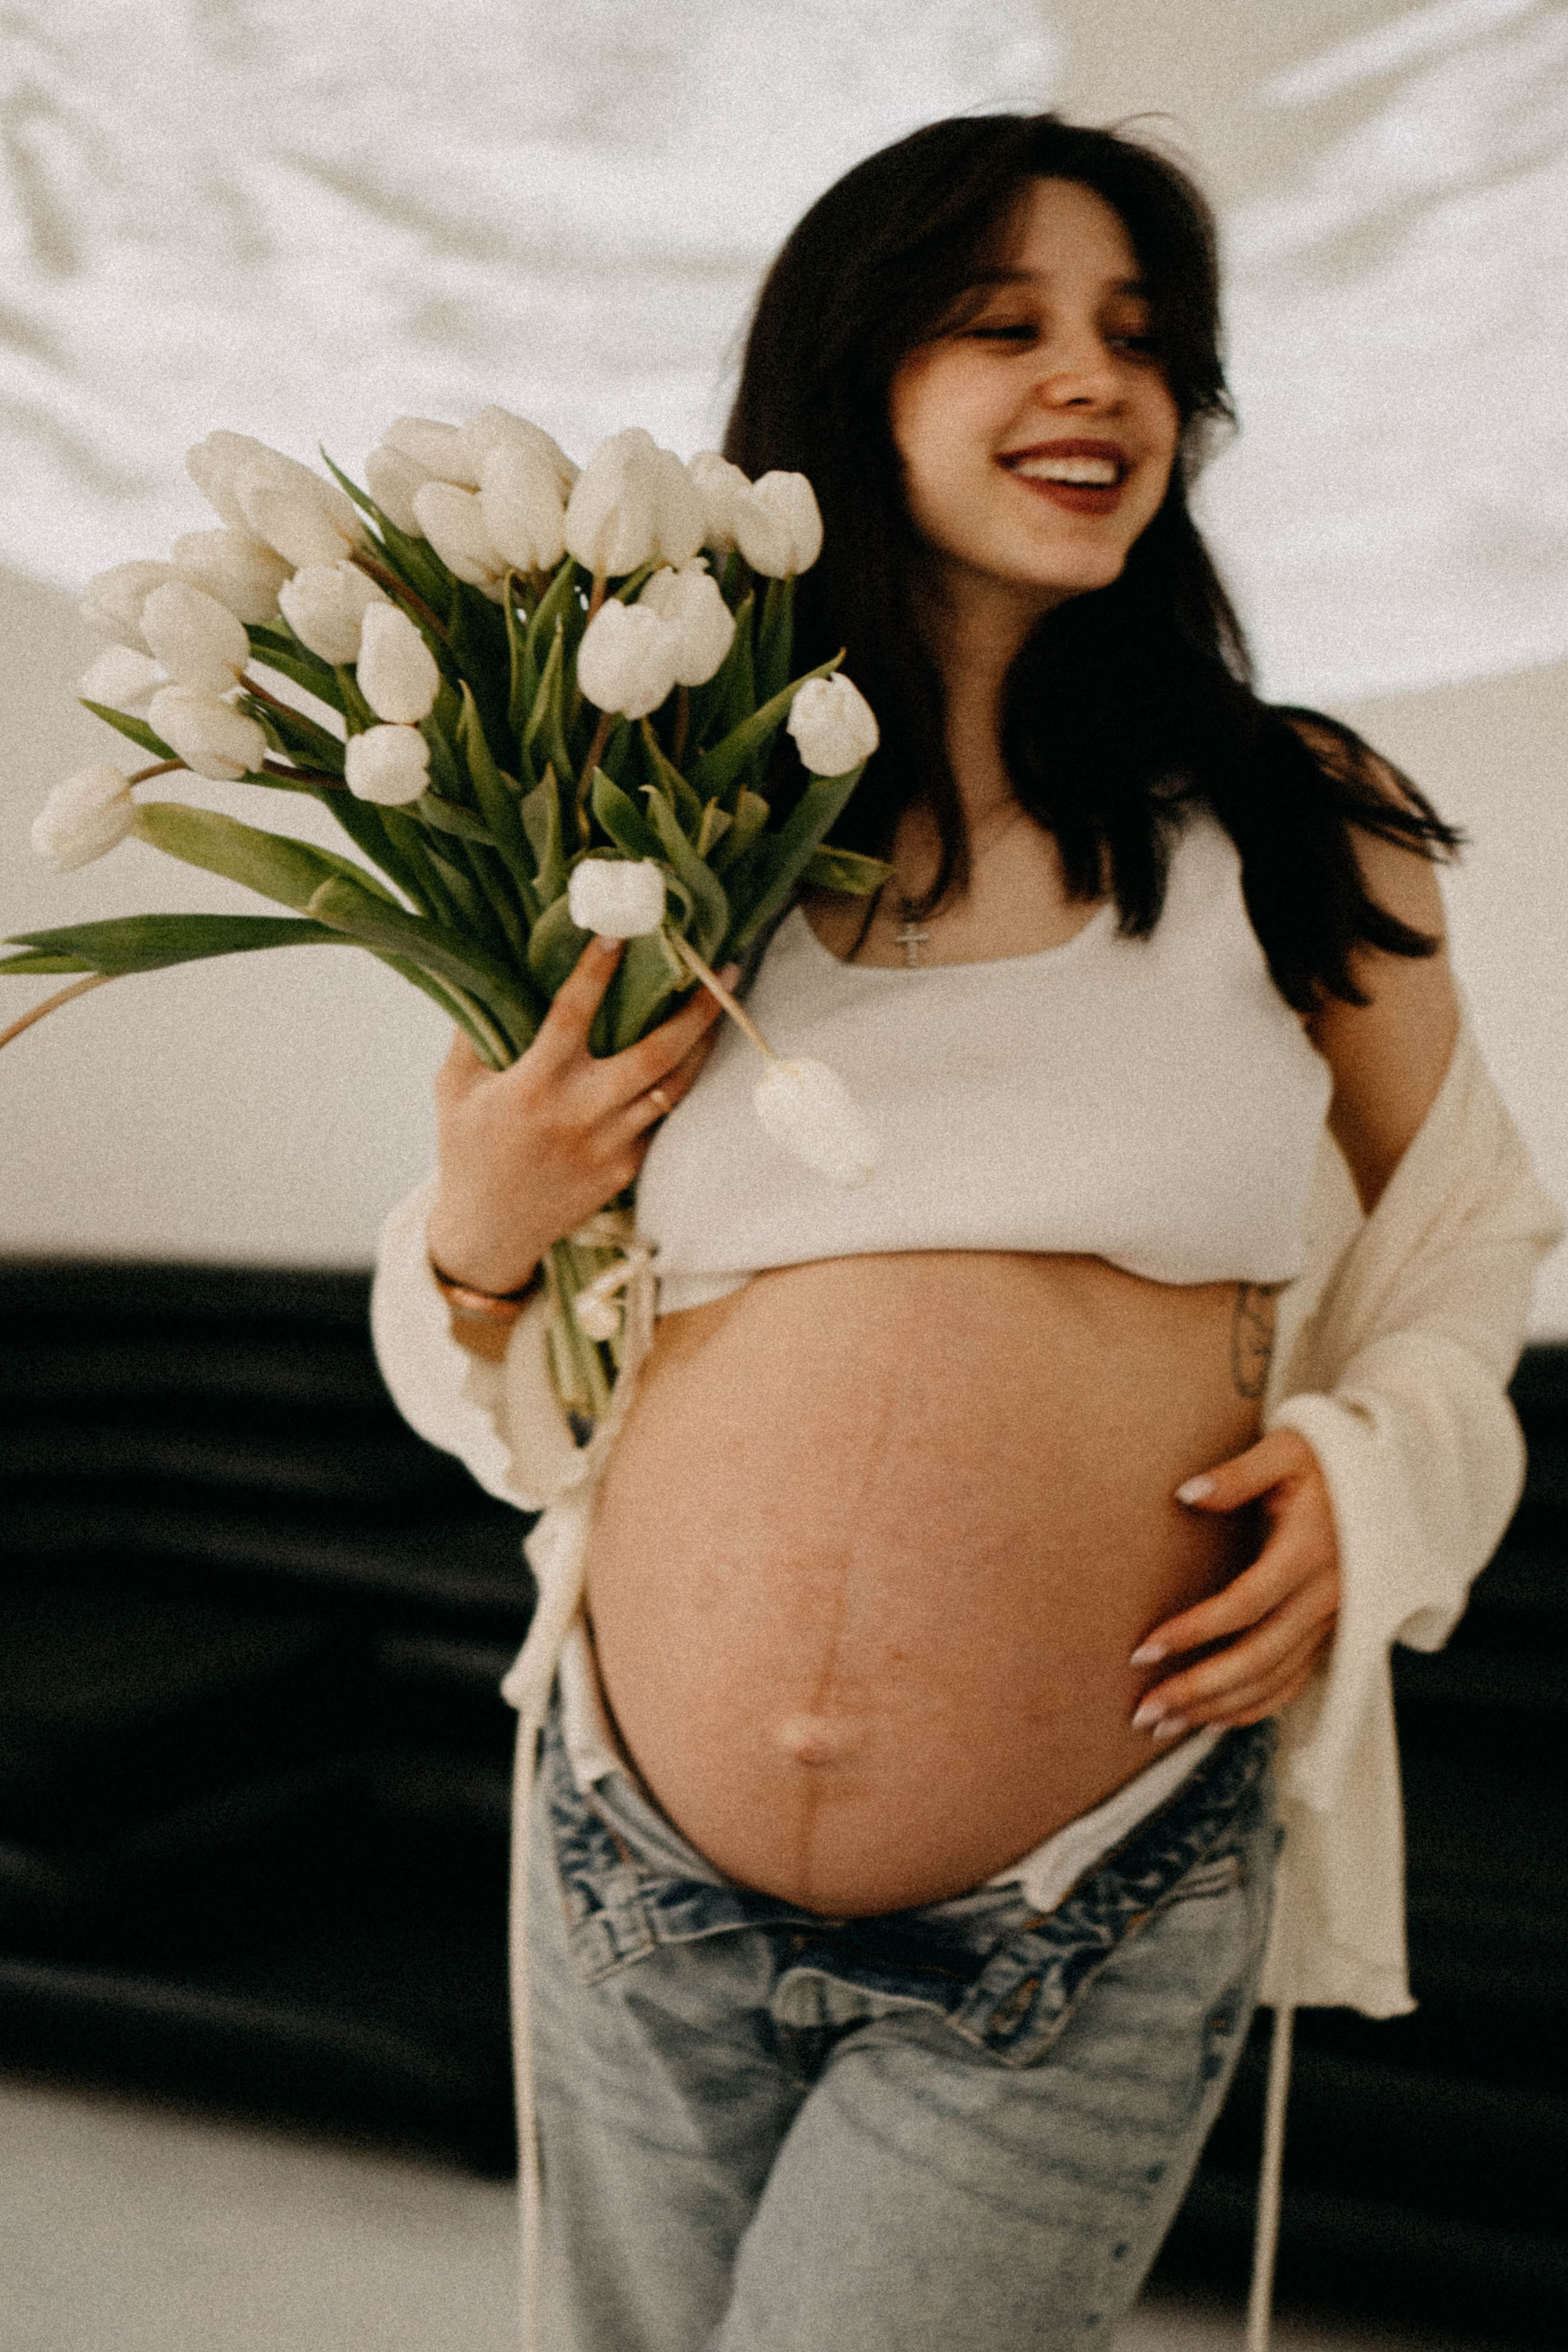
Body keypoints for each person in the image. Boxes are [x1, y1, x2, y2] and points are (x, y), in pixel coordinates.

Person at [371, 113, 1562, 2352]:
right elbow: (494, 1358)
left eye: (1139, 336)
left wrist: (1368, 1462)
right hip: (629, 1854)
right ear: (852, 378)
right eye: (1003, 324)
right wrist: (477, 1234)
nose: (1097, 381)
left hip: (1083, 1891)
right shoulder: (666, 836)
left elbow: (1468, 1241)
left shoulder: (1294, 824)